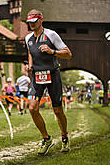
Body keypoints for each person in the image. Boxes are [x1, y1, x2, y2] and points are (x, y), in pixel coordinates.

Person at [25, 9, 72, 155]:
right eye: (29, 22)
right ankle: (46, 139)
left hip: (53, 75)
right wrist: (30, 65)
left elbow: (68, 54)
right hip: (37, 77)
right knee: (32, 108)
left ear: (41, 20)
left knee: (58, 110)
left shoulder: (51, 35)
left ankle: (64, 137)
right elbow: (30, 52)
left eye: (34, 22)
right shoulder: (28, 38)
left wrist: (52, 51)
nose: (32, 25)